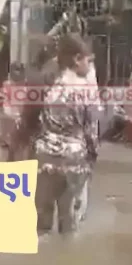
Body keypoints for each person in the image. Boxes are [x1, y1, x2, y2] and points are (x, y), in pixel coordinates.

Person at [34, 33, 99, 235]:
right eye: (88, 60)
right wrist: (93, 156)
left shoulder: (46, 84)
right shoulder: (85, 90)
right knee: (69, 219)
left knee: (42, 220)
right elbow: (91, 130)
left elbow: (32, 119)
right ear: (77, 59)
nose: (89, 66)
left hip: (44, 156)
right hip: (73, 158)